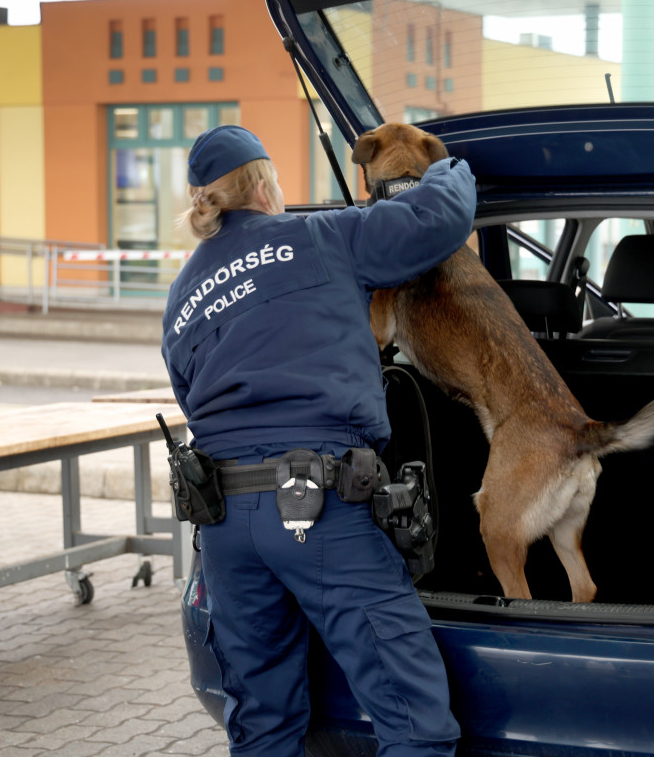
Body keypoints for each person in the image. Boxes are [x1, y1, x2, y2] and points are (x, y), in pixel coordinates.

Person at [161, 125, 476, 756]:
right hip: (318, 510)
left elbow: (190, 396)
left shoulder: (182, 297)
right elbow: (436, 218)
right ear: (265, 185)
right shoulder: (319, 236)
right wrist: (449, 167)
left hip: (225, 528)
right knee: (415, 722)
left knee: (262, 724)